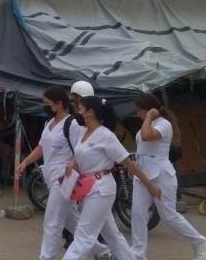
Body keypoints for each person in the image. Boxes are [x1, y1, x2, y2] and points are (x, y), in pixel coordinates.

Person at [63, 96, 161, 260]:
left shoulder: (106, 136)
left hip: (101, 188)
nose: (77, 110)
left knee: (83, 236)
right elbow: (81, 155)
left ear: (90, 112)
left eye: (80, 107)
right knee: (113, 236)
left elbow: (128, 163)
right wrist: (72, 163)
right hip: (88, 187)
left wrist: (150, 185)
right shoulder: (83, 132)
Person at [18, 87, 110, 260]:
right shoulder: (48, 124)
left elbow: (81, 150)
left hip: (64, 178)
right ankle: (102, 251)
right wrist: (25, 162)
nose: (44, 106)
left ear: (59, 104)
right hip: (50, 177)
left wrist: (73, 169)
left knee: (52, 220)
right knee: (72, 221)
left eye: (47, 103)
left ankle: (45, 257)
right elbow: (41, 147)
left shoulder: (72, 124)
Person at [130, 93, 206, 260]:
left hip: (161, 174)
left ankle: (200, 242)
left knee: (168, 215)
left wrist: (150, 116)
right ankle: (137, 254)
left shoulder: (164, 124)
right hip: (142, 174)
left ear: (150, 110)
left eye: (140, 110)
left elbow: (147, 136)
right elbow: (143, 146)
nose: (137, 113)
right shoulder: (147, 124)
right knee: (137, 213)